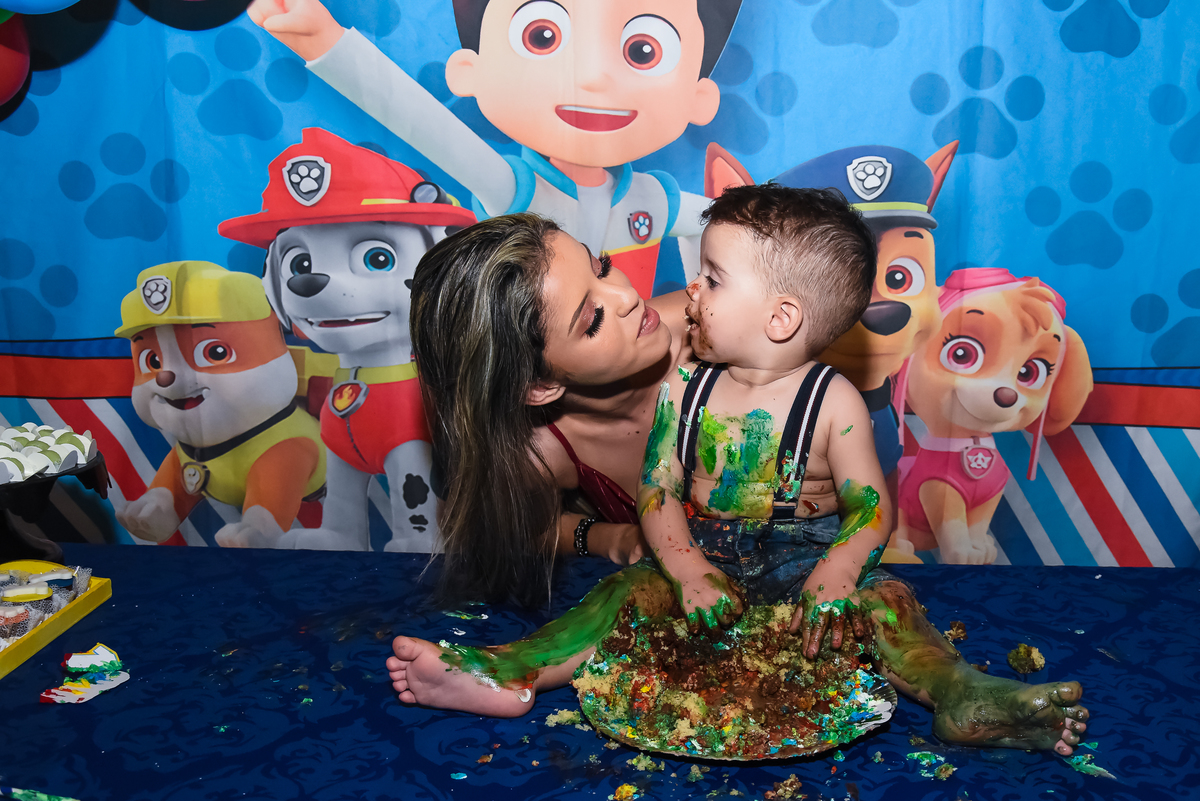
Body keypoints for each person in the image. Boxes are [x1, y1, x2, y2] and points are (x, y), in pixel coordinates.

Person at [389, 203, 1089, 756]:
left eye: (602, 265)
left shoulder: (731, 340)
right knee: (618, 598)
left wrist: (840, 564)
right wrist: (638, 548)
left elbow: (867, 501)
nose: (628, 296)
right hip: (701, 573)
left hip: (806, 567)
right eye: (593, 316)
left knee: (888, 606)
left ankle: (963, 692)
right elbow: (624, 502)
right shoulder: (600, 425)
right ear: (539, 385)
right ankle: (509, 665)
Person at [248, 0, 745, 297]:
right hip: (529, 381)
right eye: (543, 36)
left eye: (643, 51)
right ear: (471, 70)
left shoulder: (654, 200)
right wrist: (328, 45)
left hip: (633, 382)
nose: (595, 77)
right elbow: (425, 126)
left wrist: (700, 304)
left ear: (699, 97)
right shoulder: (514, 189)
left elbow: (725, 225)